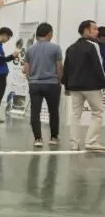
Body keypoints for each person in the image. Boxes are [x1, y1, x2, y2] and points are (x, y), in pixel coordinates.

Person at [61, 19, 105, 152]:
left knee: (75, 115)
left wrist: (66, 86)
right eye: (94, 29)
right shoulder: (93, 46)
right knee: (97, 112)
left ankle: (74, 144)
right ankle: (91, 142)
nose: (97, 32)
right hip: (92, 86)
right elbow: (98, 67)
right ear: (86, 30)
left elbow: (66, 68)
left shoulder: (71, 48)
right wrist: (103, 83)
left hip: (75, 87)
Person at [23, 22, 63, 148]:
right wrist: (59, 80)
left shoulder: (30, 49)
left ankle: (38, 139)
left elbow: (26, 68)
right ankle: (53, 137)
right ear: (49, 33)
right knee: (53, 111)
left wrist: (30, 80)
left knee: (35, 112)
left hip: (35, 84)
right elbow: (59, 67)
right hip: (52, 84)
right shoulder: (56, 48)